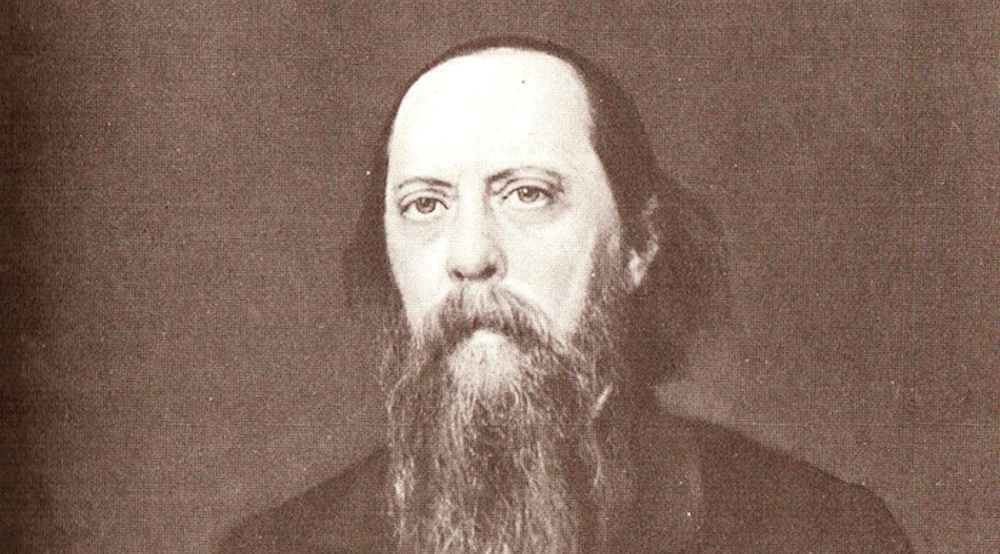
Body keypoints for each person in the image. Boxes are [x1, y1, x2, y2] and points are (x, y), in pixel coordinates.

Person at [219, 36, 911, 553]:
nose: (470, 256)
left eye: (527, 194)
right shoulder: (278, 548)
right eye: (425, 205)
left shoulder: (824, 534)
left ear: (638, 246)